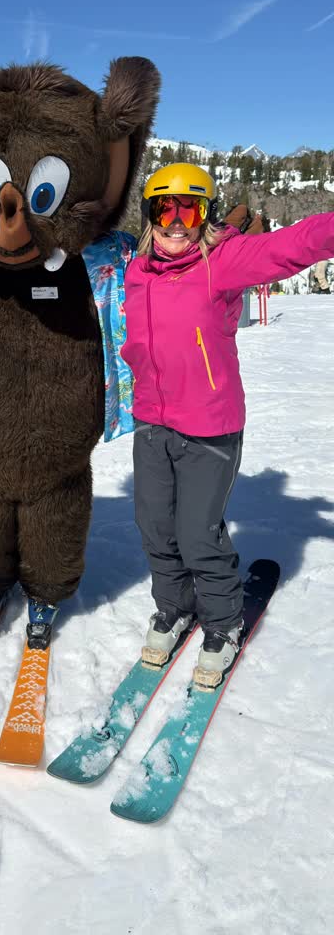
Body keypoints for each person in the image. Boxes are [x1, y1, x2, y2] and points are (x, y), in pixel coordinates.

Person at [121, 163, 334, 687]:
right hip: (152, 421)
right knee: (155, 527)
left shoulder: (223, 262)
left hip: (210, 426)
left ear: (204, 213)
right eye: (164, 208)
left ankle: (222, 622)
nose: (176, 222)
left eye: (188, 208)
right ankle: (172, 608)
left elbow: (290, 246)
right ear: (150, 214)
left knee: (197, 533)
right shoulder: (135, 269)